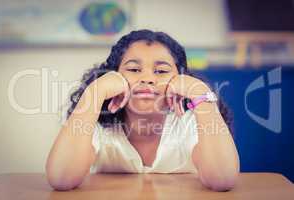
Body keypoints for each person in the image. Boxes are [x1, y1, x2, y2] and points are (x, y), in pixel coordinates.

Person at [45, 29, 239, 192]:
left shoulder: (189, 123)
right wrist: (96, 91)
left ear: (180, 80)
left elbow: (222, 180)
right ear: (113, 77)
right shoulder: (96, 124)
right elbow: (62, 179)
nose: (147, 78)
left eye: (161, 71)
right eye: (134, 70)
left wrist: (200, 92)